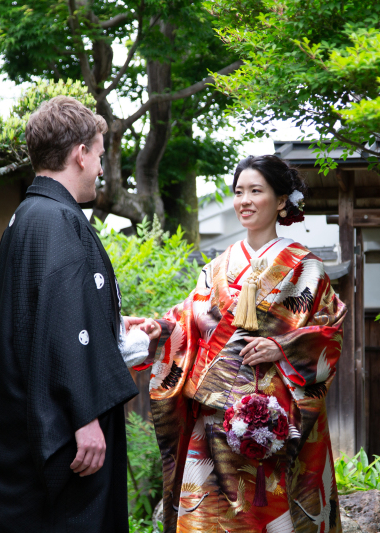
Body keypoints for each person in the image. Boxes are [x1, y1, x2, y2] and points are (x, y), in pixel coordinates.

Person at [135, 155, 347, 533]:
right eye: (238, 192)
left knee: (274, 515)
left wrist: (281, 348)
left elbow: (330, 333)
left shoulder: (306, 267)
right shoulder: (216, 268)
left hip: (278, 420)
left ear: (282, 201)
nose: (244, 200)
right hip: (214, 420)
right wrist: (161, 330)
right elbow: (187, 320)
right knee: (209, 515)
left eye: (256, 191)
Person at [0, 96, 140, 533]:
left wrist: (113, 329)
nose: (101, 168)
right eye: (99, 156)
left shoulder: (29, 214)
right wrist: (85, 418)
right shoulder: (58, 219)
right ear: (80, 153)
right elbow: (63, 325)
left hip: (19, 418)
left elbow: (45, 319)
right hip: (62, 430)